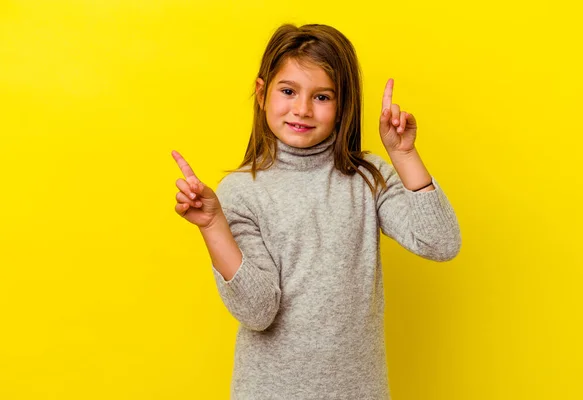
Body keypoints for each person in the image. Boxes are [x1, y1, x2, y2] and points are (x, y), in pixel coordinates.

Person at [172, 23, 461, 400]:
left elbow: (440, 242)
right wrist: (213, 226)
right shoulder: (241, 192)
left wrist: (404, 155)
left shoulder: (366, 177)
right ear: (262, 94)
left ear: (344, 106)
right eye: (288, 91)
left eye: (322, 97)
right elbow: (259, 311)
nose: (302, 109)